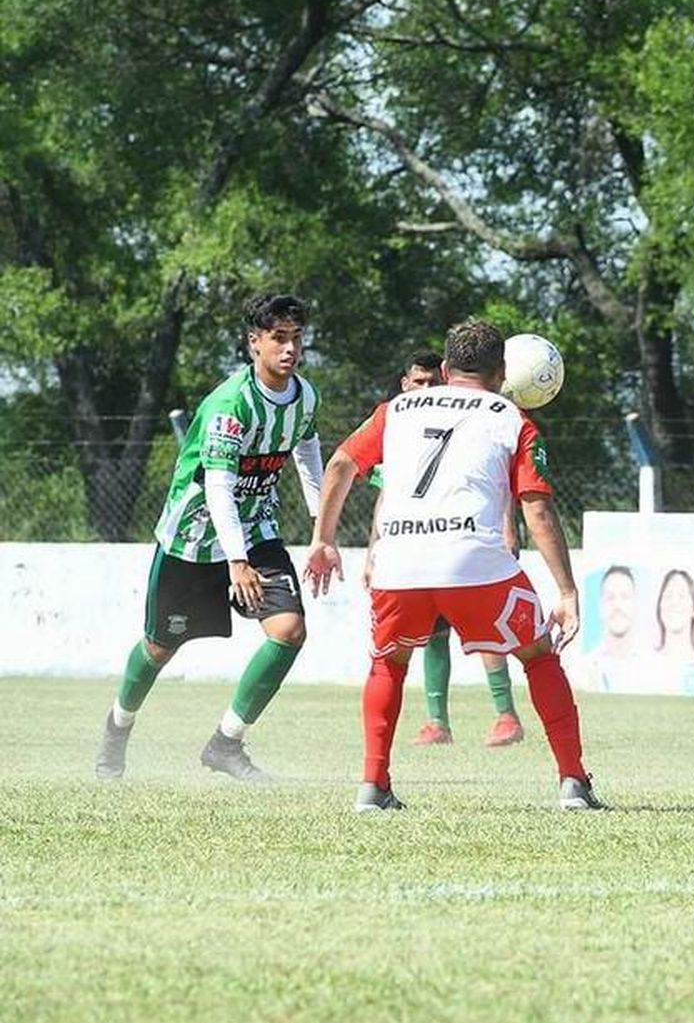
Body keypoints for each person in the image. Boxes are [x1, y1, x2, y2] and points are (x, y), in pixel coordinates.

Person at [304, 317, 604, 812]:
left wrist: (324, 539)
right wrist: (567, 591)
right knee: (538, 654)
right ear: (501, 371)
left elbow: (339, 465)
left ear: (445, 369)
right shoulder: (512, 418)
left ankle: (372, 787)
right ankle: (573, 781)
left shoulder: (395, 410)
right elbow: (536, 507)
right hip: (476, 565)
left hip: (398, 562)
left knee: (389, 663)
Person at [94, 294, 324, 781]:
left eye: (296, 339)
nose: (289, 349)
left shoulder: (304, 397)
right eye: (278, 338)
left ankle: (226, 744)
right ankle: (117, 727)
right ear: (254, 343)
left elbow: (307, 453)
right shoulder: (229, 404)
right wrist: (236, 562)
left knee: (289, 631)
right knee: (161, 646)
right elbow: (218, 486)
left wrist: (321, 529)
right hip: (194, 538)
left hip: (257, 528)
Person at [365, 352, 524, 748]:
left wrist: (508, 526)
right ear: (405, 386)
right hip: (418, 545)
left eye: (433, 381)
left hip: (469, 541)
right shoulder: (401, 429)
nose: (426, 388)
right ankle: (437, 722)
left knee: (489, 630)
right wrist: (374, 549)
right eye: (418, 383)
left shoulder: (473, 420)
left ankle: (506, 715)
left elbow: (497, 478)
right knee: (431, 635)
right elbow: (387, 497)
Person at [654, 568, 694, 667]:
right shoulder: (646, 664)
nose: (674, 603)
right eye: (668, 596)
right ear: (660, 609)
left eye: (682, 596)